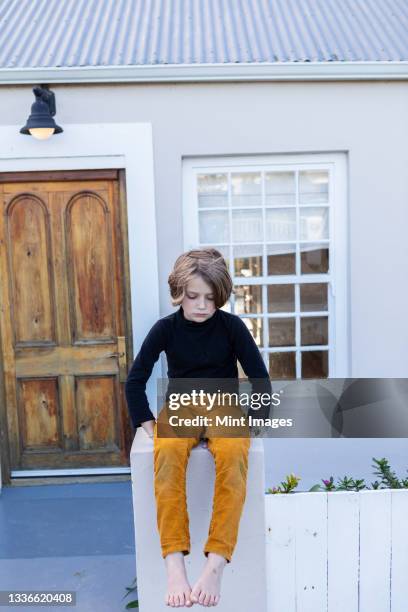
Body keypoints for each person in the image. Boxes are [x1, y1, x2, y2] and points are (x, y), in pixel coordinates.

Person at [125, 247, 271, 608]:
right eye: (193, 296)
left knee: (235, 458)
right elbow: (135, 379)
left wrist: (255, 421)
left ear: (219, 296)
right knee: (168, 454)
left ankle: (216, 563)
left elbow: (260, 379)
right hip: (181, 406)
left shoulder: (232, 326)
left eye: (210, 298)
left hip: (224, 406)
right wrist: (145, 419)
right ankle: (174, 563)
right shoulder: (165, 329)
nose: (202, 305)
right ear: (178, 293)